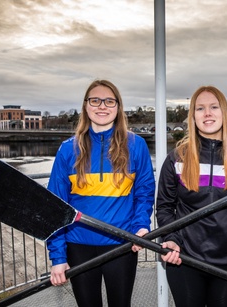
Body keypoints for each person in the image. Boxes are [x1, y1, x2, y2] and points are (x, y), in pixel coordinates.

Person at [46, 79, 155, 307]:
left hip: (122, 244)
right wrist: (58, 257)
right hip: (78, 246)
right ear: (86, 106)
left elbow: (144, 193)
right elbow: (54, 206)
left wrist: (141, 226)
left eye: (109, 101)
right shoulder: (68, 149)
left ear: (118, 107)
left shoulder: (136, 145)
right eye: (95, 100)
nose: (102, 106)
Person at [156, 85, 227, 307]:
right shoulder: (177, 158)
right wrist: (171, 239)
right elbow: (165, 206)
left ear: (224, 112)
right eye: (200, 108)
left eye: (214, 107)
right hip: (185, 260)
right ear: (193, 116)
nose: (207, 113)